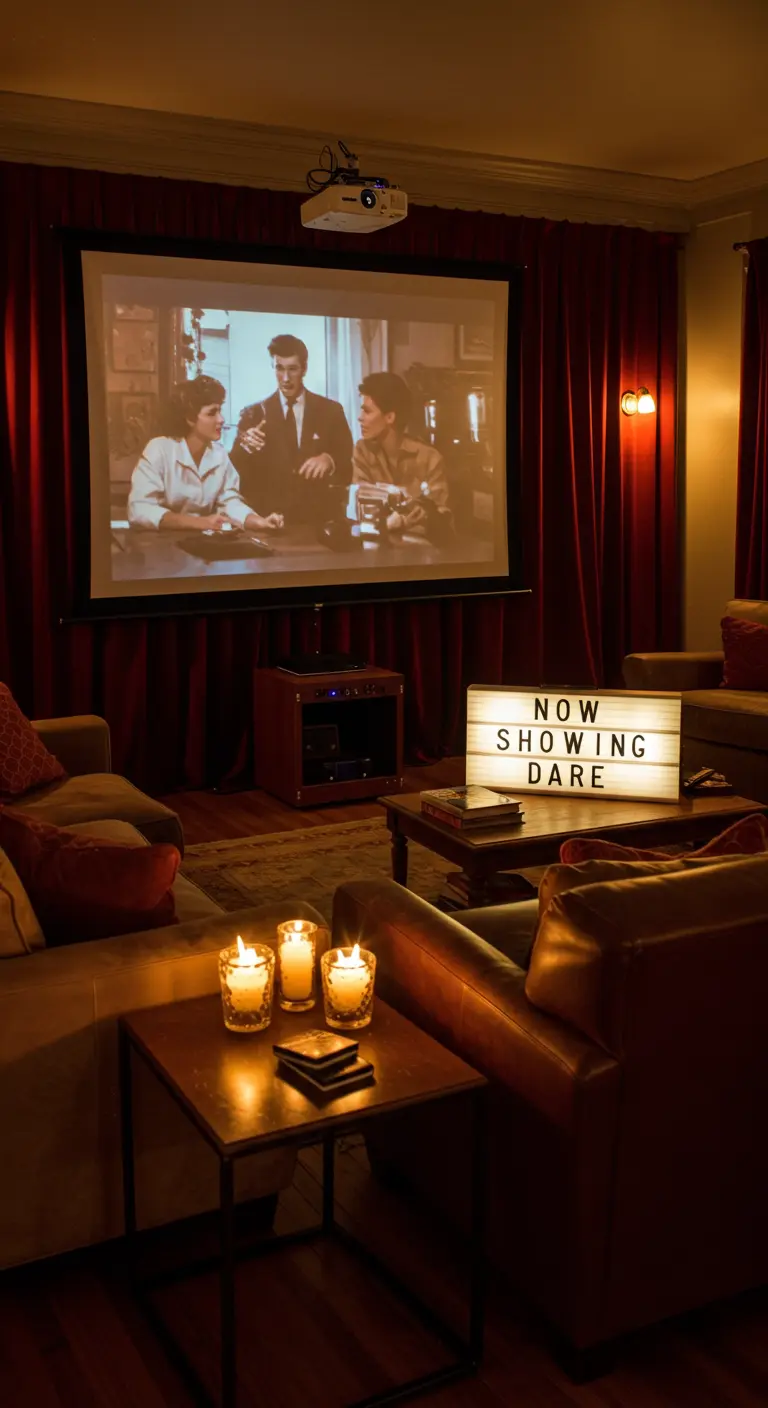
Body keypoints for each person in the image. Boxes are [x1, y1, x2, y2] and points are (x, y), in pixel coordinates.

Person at [128, 376, 283, 533]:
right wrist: (200, 522)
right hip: (161, 547)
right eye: (211, 413)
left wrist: (259, 521)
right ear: (190, 418)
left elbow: (230, 502)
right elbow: (140, 509)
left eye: (220, 411)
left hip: (203, 545)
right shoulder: (159, 449)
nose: (221, 419)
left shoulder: (219, 454)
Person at [229, 334, 354, 524]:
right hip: (269, 521)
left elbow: (347, 466)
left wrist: (330, 460)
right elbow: (234, 474)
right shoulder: (253, 414)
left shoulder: (331, 411)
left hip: (319, 522)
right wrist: (244, 448)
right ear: (273, 367)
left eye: (292, 369)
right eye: (279, 368)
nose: (285, 378)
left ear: (304, 369)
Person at [352, 372, 450, 534]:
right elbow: (363, 513)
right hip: (377, 547)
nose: (360, 418)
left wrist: (424, 517)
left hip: (422, 551)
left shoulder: (429, 458)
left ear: (390, 417)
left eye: (367, 412)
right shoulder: (363, 451)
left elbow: (443, 521)